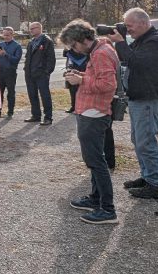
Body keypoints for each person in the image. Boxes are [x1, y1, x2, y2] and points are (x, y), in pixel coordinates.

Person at [60, 20, 120, 224]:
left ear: (82, 40)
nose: (73, 50)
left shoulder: (101, 53)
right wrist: (82, 75)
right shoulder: (100, 48)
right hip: (91, 110)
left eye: (73, 45)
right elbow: (99, 77)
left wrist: (81, 80)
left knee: (96, 162)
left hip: (94, 112)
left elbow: (108, 84)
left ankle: (107, 209)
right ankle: (96, 199)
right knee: (95, 160)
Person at [108, 8, 158, 200]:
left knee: (146, 142)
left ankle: (156, 185)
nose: (128, 29)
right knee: (139, 140)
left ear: (143, 23)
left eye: (129, 25)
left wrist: (120, 42)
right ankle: (148, 177)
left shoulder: (156, 41)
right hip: (139, 98)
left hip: (148, 98)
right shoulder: (142, 40)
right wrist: (122, 40)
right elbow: (130, 59)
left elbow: (136, 62)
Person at [23, 22, 56, 125]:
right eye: (30, 28)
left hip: (41, 73)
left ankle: (48, 117)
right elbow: (28, 57)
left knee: (45, 96)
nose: (31, 30)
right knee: (32, 95)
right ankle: (36, 115)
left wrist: (46, 72)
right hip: (30, 73)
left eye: (33, 28)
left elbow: (51, 59)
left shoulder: (47, 41)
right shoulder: (31, 42)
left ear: (39, 28)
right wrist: (26, 69)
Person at [0, 26, 22, 120]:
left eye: (7, 35)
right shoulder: (0, 44)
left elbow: (16, 60)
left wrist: (5, 54)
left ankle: (10, 112)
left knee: (10, 93)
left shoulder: (17, 46)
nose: (5, 37)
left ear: (12, 35)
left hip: (10, 72)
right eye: (4, 35)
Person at [63, 47, 88, 113]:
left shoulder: (81, 47)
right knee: (72, 89)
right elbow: (64, 54)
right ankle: (73, 106)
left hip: (79, 69)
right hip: (71, 69)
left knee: (79, 90)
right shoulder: (70, 49)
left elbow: (80, 57)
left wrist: (70, 51)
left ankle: (79, 107)